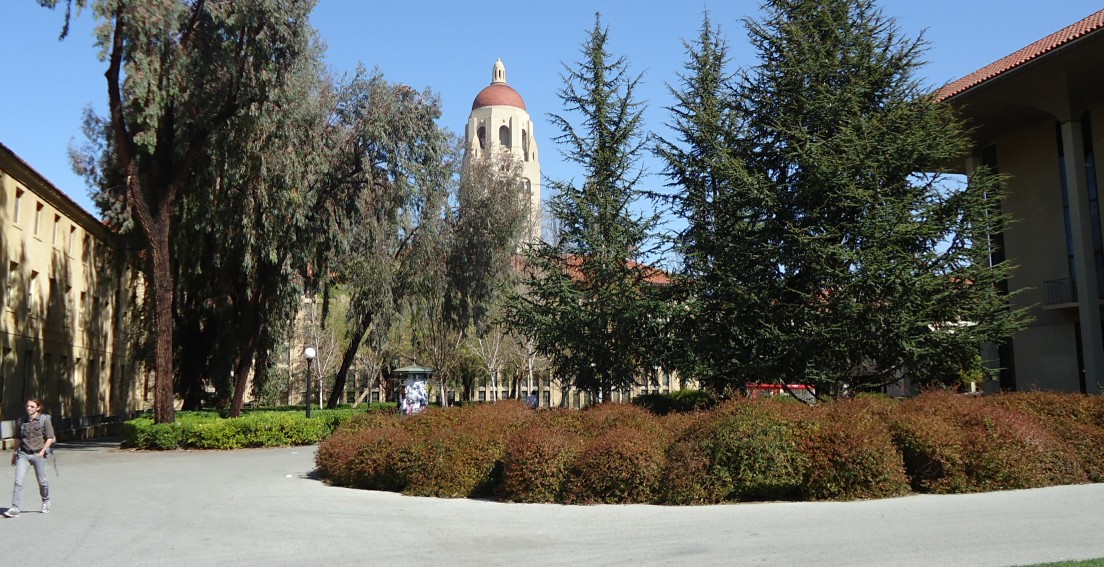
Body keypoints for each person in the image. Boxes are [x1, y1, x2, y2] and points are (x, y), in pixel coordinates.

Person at [4, 398, 54, 518]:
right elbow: (17, 439)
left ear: (38, 408)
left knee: (42, 481)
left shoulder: (44, 420)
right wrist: (15, 454)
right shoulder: (21, 421)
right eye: (27, 406)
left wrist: (42, 451)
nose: (29, 408)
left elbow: (50, 437)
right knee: (18, 481)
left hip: (38, 454)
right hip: (24, 454)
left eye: (32, 406)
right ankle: (15, 508)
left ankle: (46, 501)